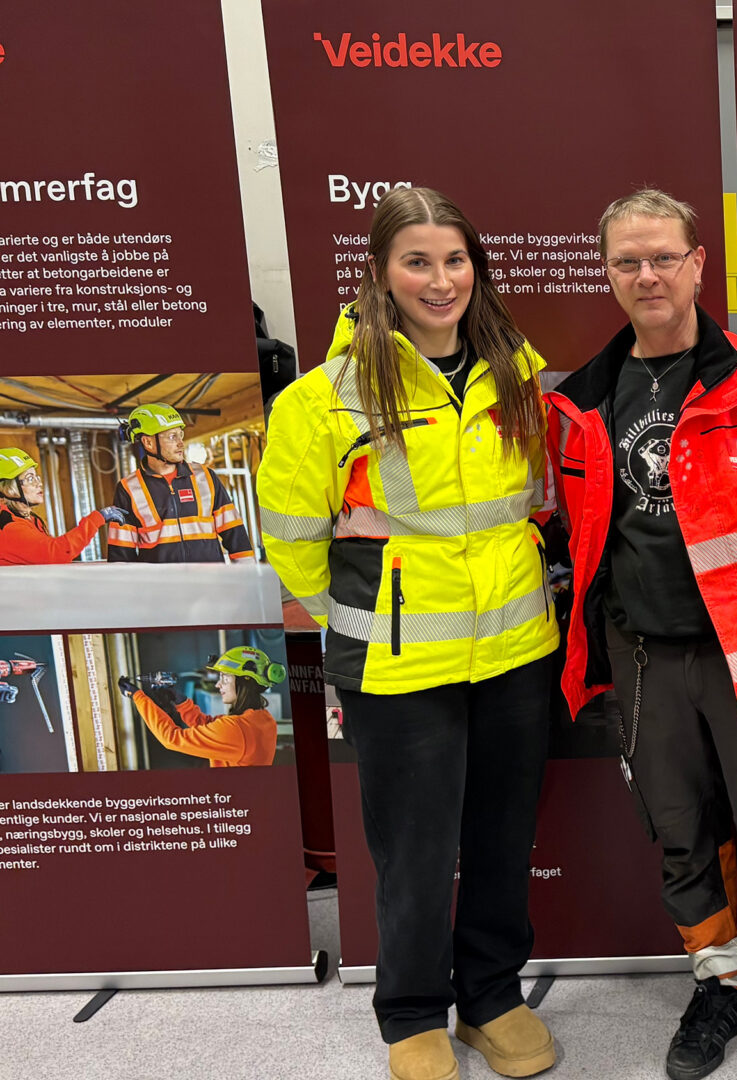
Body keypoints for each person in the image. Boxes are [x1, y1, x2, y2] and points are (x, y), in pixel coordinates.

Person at [547, 189, 737, 1080]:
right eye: (626, 262)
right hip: (642, 661)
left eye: (662, 257)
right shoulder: (583, 403)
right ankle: (722, 984)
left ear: (697, 263)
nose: (646, 275)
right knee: (681, 838)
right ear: (607, 274)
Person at [258, 187, 559, 1080]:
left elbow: (536, 507)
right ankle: (415, 1014)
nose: (441, 280)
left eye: (455, 259)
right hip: (397, 663)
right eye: (418, 261)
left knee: (505, 839)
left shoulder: (519, 375)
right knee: (417, 852)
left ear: (478, 266)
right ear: (382, 273)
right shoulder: (325, 399)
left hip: (514, 651)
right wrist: (367, 611)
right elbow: (293, 539)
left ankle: (492, 997)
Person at [105, 403, 255, 563]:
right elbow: (120, 557)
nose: (181, 443)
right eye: (172, 437)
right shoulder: (128, 489)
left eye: (180, 434)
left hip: (211, 584)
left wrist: (249, 579)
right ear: (148, 443)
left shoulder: (205, 477)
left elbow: (236, 536)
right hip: (163, 587)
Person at [122, 646, 282, 767]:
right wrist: (182, 703)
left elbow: (171, 739)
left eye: (225, 679)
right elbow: (210, 727)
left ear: (245, 681)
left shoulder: (236, 729)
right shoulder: (262, 720)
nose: (219, 684)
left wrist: (137, 696)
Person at [0, 448, 133, 564]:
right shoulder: (6, 526)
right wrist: (97, 519)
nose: (38, 483)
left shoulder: (29, 519)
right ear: (7, 489)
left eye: (36, 477)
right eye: (30, 478)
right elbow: (55, 553)